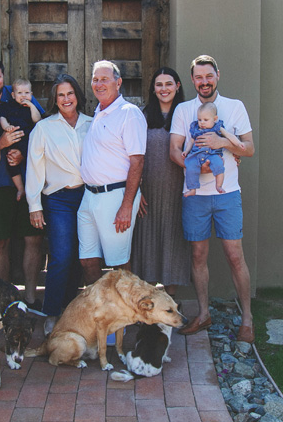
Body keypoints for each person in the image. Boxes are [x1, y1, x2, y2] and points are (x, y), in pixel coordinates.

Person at [170, 55, 256, 341]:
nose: (204, 82)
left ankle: (247, 318)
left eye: (209, 76)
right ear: (192, 80)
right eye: (198, 77)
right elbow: (174, 149)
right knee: (198, 255)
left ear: (218, 75)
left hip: (227, 193)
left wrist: (222, 143)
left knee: (235, 255)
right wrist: (195, 167)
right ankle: (204, 314)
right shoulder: (183, 110)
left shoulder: (235, 107)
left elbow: (250, 149)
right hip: (194, 195)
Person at [25, 74, 92, 335]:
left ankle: (69, 309)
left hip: (88, 196)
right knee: (61, 256)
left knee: (81, 257)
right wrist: (34, 205)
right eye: (61, 95)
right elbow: (34, 167)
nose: (66, 99)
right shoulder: (44, 128)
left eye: (70, 93)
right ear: (54, 99)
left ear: (77, 96)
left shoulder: (92, 123)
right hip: (59, 199)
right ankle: (52, 312)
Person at [0, 58, 46, 307]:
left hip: (29, 180)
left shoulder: (18, 94)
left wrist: (22, 151)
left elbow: (41, 129)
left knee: (34, 239)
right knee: (0, 241)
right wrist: (2, 143)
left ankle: (30, 297)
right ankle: (5, 299)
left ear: (4, 76)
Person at [77, 60, 147, 285]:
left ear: (118, 83)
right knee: (87, 261)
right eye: (95, 79)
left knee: (120, 263)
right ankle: (102, 312)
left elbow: (137, 161)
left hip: (115, 197)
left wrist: (127, 205)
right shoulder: (98, 113)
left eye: (104, 79)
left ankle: (127, 317)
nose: (98, 84)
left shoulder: (129, 113)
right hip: (89, 197)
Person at [131, 67, 191, 302]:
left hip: (178, 191)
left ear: (177, 86)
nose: (164, 89)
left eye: (169, 84)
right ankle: (146, 305)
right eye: (159, 84)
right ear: (153, 89)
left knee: (173, 242)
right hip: (147, 192)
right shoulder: (142, 117)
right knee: (146, 244)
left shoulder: (186, 115)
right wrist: (136, 190)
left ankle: (169, 304)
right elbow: (132, 155)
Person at [182, 101, 245, 196]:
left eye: (206, 120)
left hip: (212, 154)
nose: (202, 122)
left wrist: (239, 143)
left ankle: (219, 185)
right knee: (190, 167)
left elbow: (229, 136)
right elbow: (191, 141)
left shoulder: (217, 128)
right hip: (196, 155)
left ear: (215, 119)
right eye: (199, 119)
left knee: (219, 164)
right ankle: (192, 189)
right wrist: (186, 151)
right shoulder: (195, 128)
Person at [0, 78, 41, 201]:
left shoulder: (30, 107)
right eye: (19, 93)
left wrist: (31, 105)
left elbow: (37, 120)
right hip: (14, 138)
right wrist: (6, 127)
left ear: (31, 95)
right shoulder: (7, 106)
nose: (23, 96)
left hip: (27, 140)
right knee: (11, 162)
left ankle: (32, 188)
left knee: (32, 161)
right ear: (13, 95)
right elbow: (2, 117)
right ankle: (20, 188)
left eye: (27, 93)